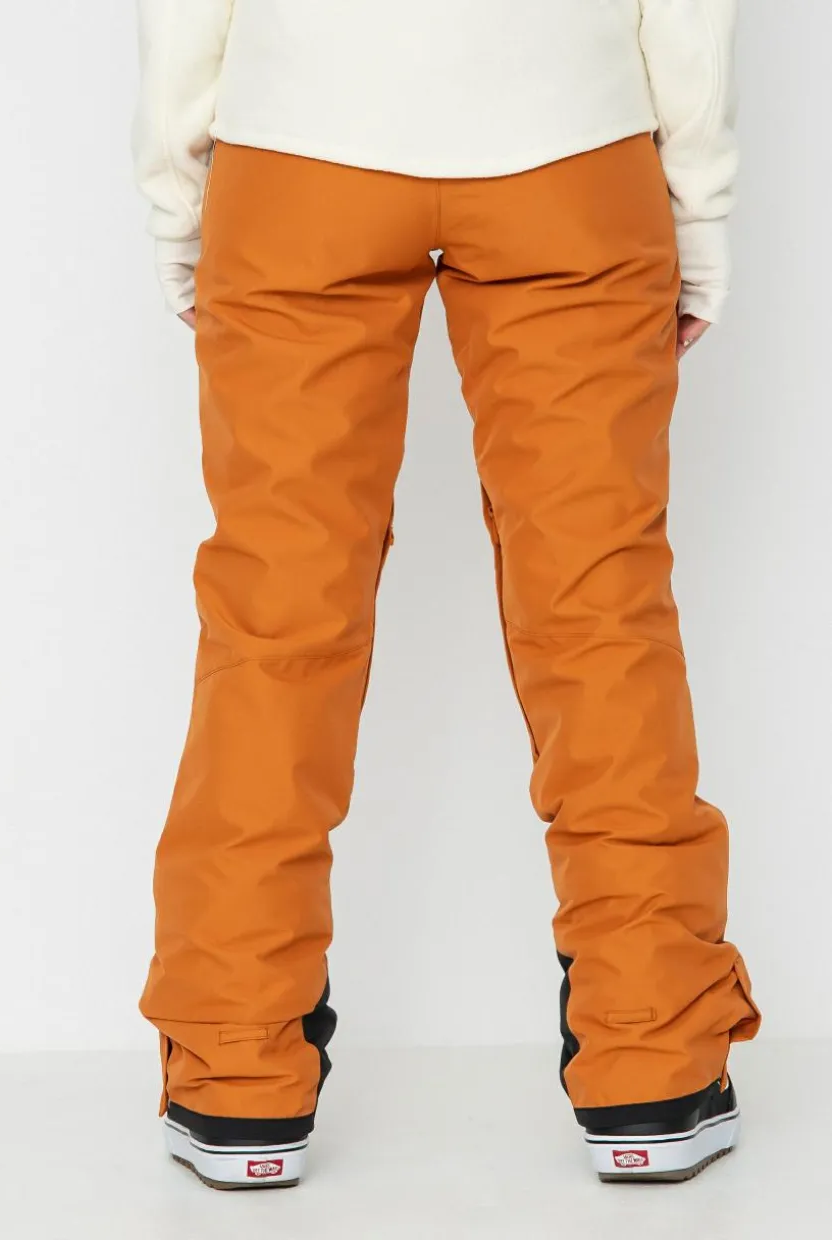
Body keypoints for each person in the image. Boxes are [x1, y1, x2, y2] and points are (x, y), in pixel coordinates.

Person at [133, 0, 760, 1190]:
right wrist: (700, 204)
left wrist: (177, 195)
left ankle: (235, 1073)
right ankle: (655, 1061)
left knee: (276, 620)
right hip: (571, 148)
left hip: (298, 152)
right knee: (599, 609)